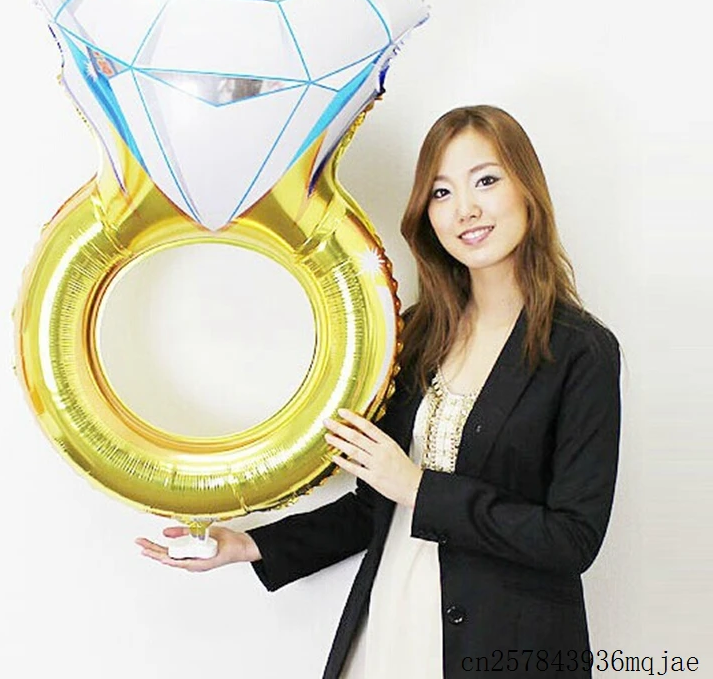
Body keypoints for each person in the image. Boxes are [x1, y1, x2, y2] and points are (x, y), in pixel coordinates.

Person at [136, 104, 622, 678]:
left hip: (506, 646)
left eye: (486, 181)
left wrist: (418, 486)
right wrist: (249, 545)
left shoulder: (581, 351)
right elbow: (374, 504)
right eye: (441, 192)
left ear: (528, 191)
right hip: (392, 624)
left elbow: (571, 539)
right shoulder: (414, 335)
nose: (465, 209)